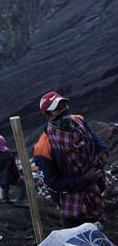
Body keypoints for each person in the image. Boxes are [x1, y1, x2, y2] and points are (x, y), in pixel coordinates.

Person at [33, 91, 108, 227]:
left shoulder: (78, 121)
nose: (64, 110)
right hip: (74, 207)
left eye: (64, 105)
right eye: (58, 109)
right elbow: (53, 183)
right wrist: (84, 180)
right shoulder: (45, 147)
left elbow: (91, 136)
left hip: (95, 192)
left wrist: (102, 150)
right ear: (48, 115)